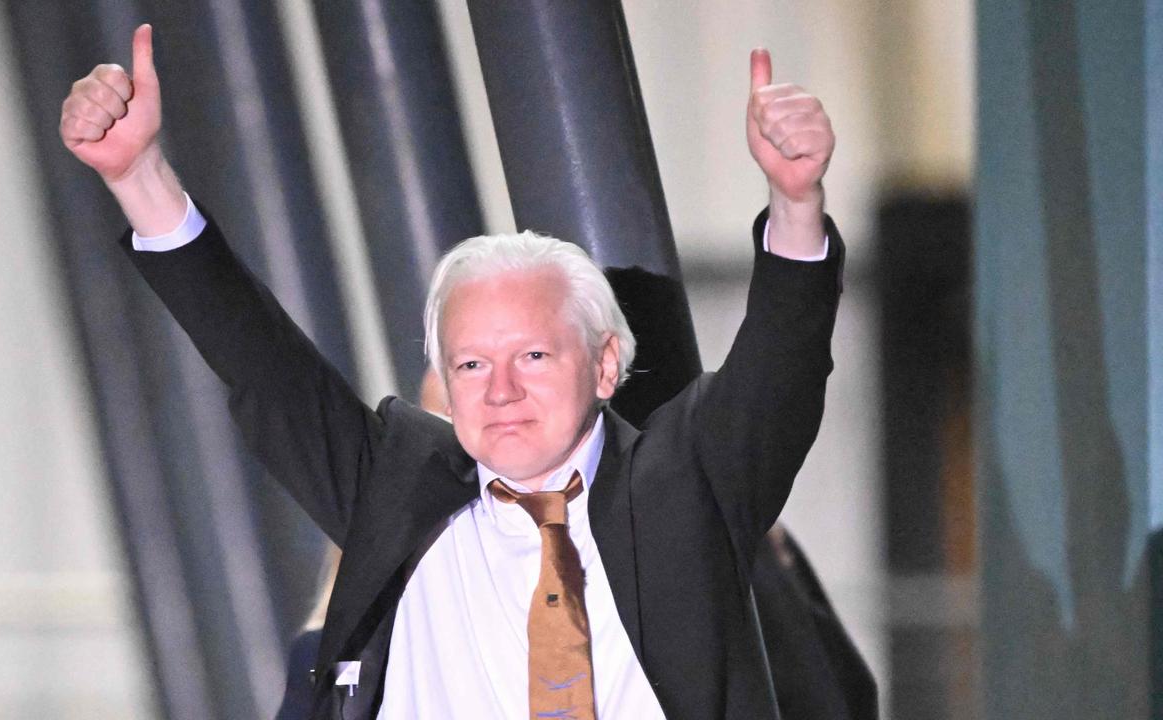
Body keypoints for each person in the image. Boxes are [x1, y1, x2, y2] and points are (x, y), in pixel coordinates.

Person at [61, 24, 843, 719]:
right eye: (470, 363)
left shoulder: (685, 484)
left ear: (606, 365)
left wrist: (795, 202)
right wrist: (139, 178)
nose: (499, 390)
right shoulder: (395, 488)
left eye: (532, 356)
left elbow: (782, 369)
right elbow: (262, 364)